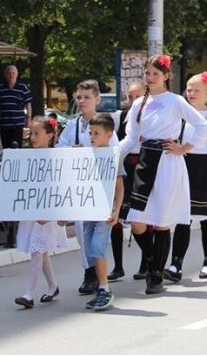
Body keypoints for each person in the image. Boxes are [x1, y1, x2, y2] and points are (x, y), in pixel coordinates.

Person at [118, 55, 207, 295]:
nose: (149, 78)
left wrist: (184, 148)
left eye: (155, 74)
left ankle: (157, 275)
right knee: (137, 220)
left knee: (160, 222)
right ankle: (151, 260)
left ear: (166, 76)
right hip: (145, 161)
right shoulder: (140, 104)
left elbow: (203, 126)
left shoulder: (175, 101)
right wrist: (112, 155)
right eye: (147, 74)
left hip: (169, 162)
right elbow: (131, 137)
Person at [56, 80, 119, 295]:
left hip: (99, 188)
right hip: (80, 187)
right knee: (82, 230)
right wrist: (72, 152)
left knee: (96, 235)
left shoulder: (104, 124)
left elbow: (114, 154)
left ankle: (99, 277)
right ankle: (89, 271)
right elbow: (60, 149)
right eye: (79, 97)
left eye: (87, 97)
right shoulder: (72, 127)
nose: (82, 101)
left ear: (97, 100)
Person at [164, 72, 207, 281]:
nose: (191, 93)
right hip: (184, 167)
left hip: (206, 169)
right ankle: (175, 264)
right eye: (189, 89)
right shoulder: (179, 117)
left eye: (196, 90)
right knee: (183, 218)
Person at [10, 116, 68, 309]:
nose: (32, 137)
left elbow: (60, 187)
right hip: (31, 211)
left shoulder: (55, 158)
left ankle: (29, 293)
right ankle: (52, 285)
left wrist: (58, 213)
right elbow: (18, 185)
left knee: (37, 251)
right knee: (40, 252)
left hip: (46, 213)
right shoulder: (27, 157)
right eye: (31, 133)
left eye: (37, 133)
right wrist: (5, 205)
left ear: (50, 135)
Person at [82, 113, 125, 310]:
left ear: (109, 135)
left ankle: (104, 289)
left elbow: (119, 187)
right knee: (90, 248)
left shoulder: (113, 156)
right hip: (89, 210)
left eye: (97, 133)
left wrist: (116, 211)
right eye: (91, 133)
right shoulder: (85, 155)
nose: (92, 137)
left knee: (98, 247)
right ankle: (100, 287)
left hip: (104, 211)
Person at [109, 80, 148, 281]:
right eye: (130, 96)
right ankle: (117, 266)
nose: (133, 100)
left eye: (138, 96)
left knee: (140, 219)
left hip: (143, 168)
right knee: (116, 217)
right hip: (125, 169)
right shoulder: (121, 117)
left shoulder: (150, 117)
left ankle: (146, 262)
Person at [0, 65, 32, 149]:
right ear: (6, 75)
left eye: (13, 73)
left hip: (18, 123)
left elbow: (28, 104)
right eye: (9, 73)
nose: (11, 75)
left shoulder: (23, 87)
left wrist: (28, 118)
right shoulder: (0, 88)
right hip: (4, 123)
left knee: (16, 147)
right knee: (6, 147)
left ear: (17, 74)